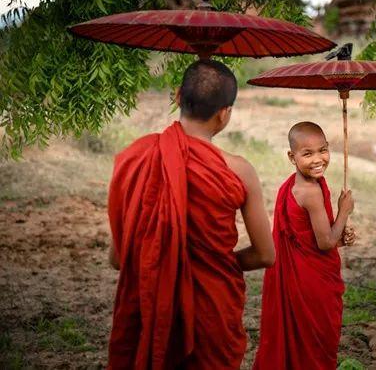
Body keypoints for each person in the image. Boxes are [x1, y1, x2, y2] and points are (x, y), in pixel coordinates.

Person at [107, 59, 275, 369]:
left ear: (177, 96)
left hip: (150, 303)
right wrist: (215, 264)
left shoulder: (136, 158)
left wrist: (169, 261)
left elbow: (118, 259)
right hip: (211, 308)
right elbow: (266, 255)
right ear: (225, 114)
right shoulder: (239, 171)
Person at [253, 121, 356, 370]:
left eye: (323, 150)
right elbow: (324, 243)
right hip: (311, 284)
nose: (318, 159)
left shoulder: (293, 185)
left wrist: (340, 236)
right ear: (292, 156)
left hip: (301, 275)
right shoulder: (309, 191)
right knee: (315, 344)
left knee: (301, 343)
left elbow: (308, 238)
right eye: (307, 153)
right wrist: (344, 212)